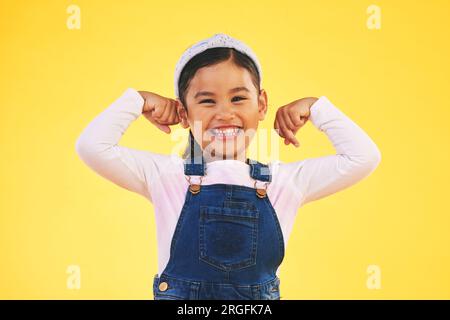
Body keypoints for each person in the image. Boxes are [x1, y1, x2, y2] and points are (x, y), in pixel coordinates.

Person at [75, 33, 381, 300]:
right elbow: (92, 146)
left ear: (261, 105)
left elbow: (363, 157)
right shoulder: (167, 177)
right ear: (183, 112)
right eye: (207, 101)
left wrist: (317, 108)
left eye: (238, 98)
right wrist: (137, 101)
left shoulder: (282, 182)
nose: (224, 113)